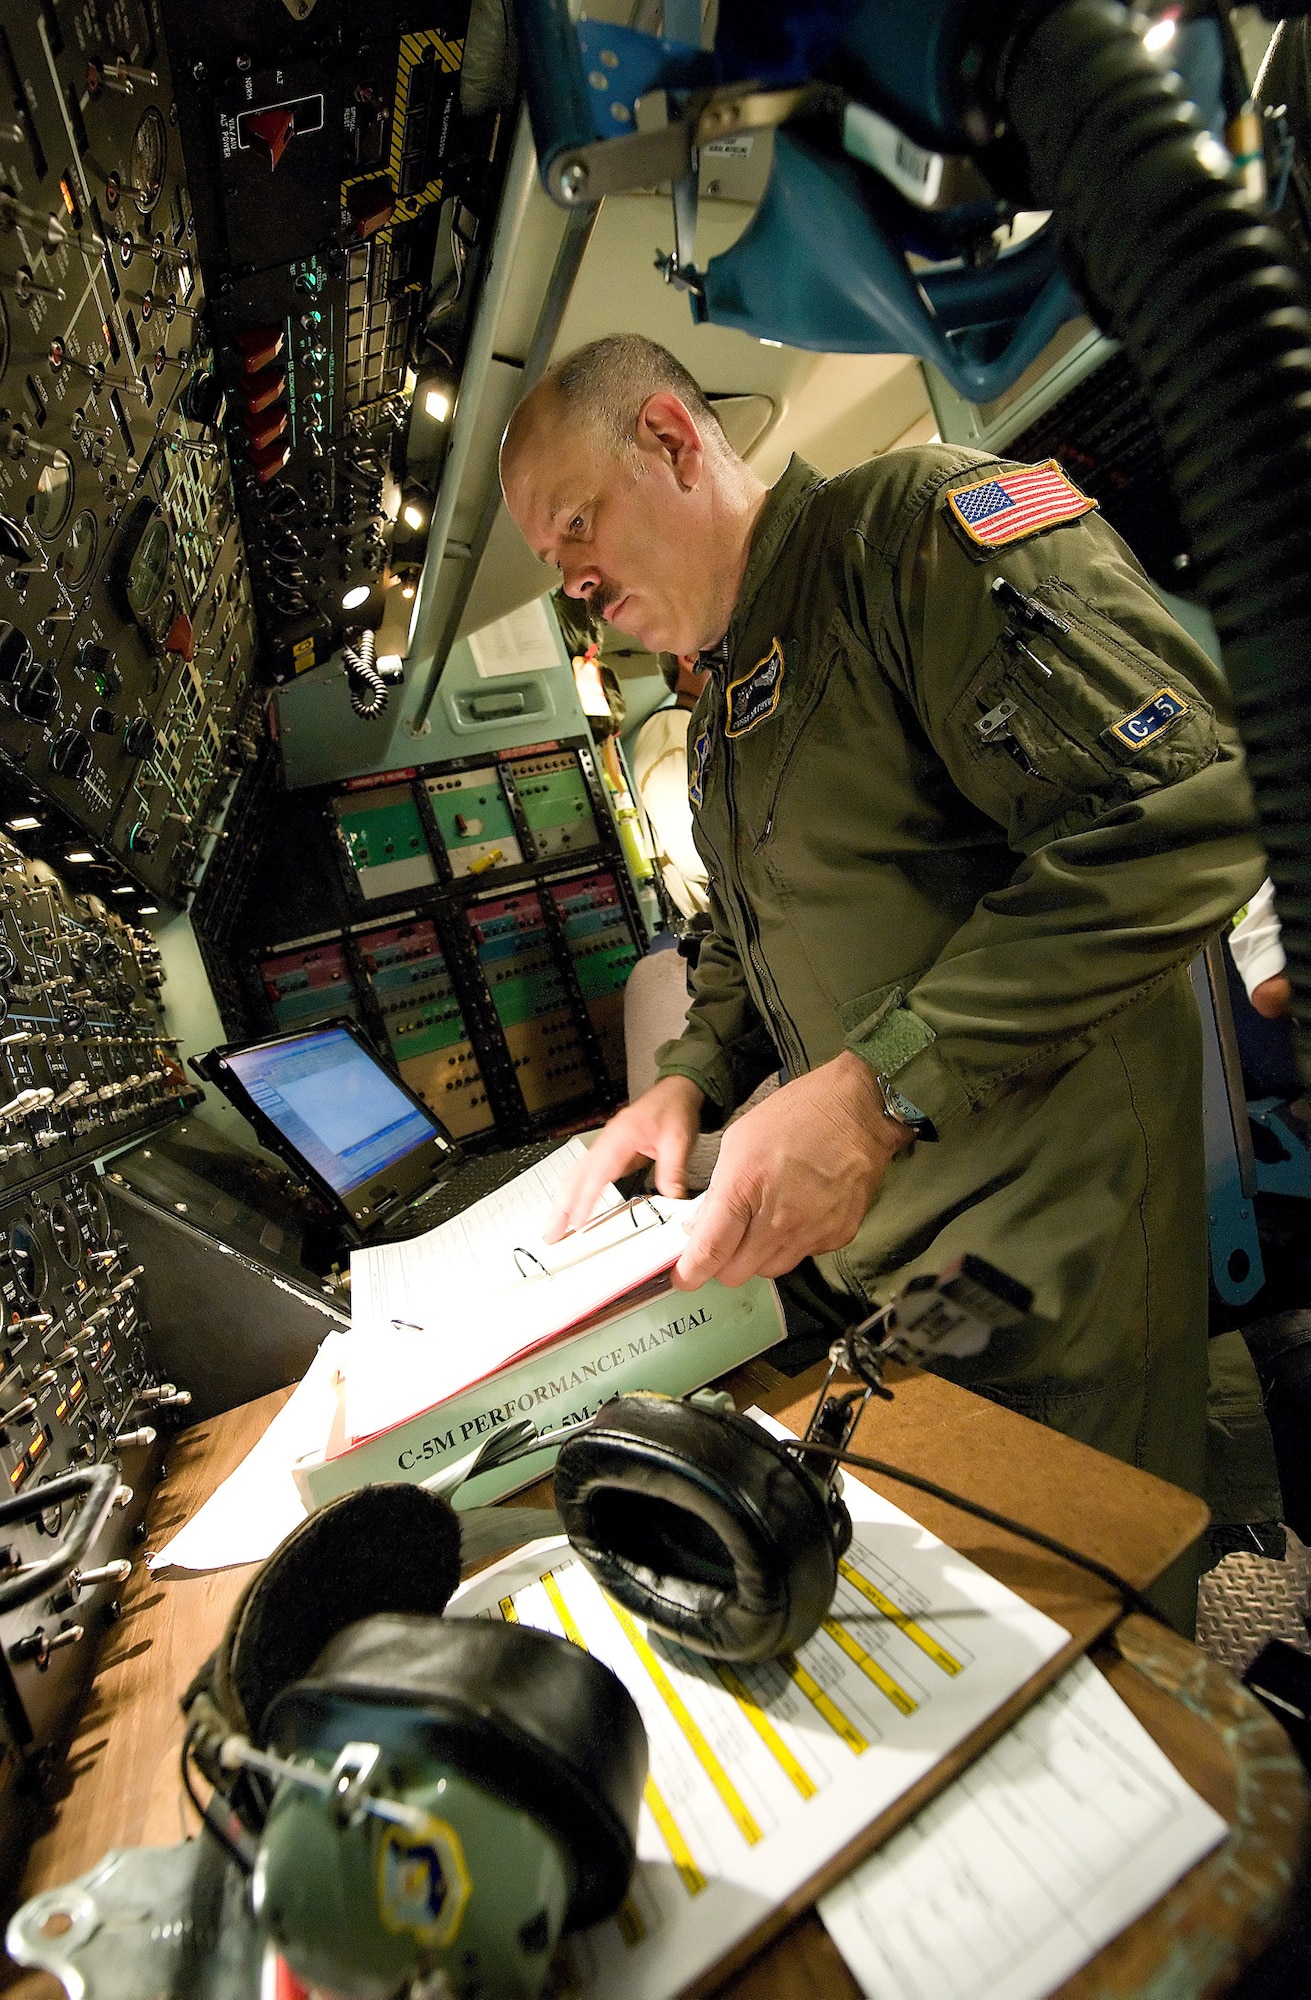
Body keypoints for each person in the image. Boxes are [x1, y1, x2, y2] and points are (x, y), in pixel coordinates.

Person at [500, 334, 1270, 1627]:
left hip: (1049, 1249)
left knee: (1094, 1653)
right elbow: (748, 940)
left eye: (577, 523)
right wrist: (684, 1087)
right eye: (552, 561)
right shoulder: (736, 691)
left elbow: (1194, 804)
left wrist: (870, 1096)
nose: (574, 579)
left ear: (675, 442)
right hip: (901, 1263)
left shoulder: (911, 537)